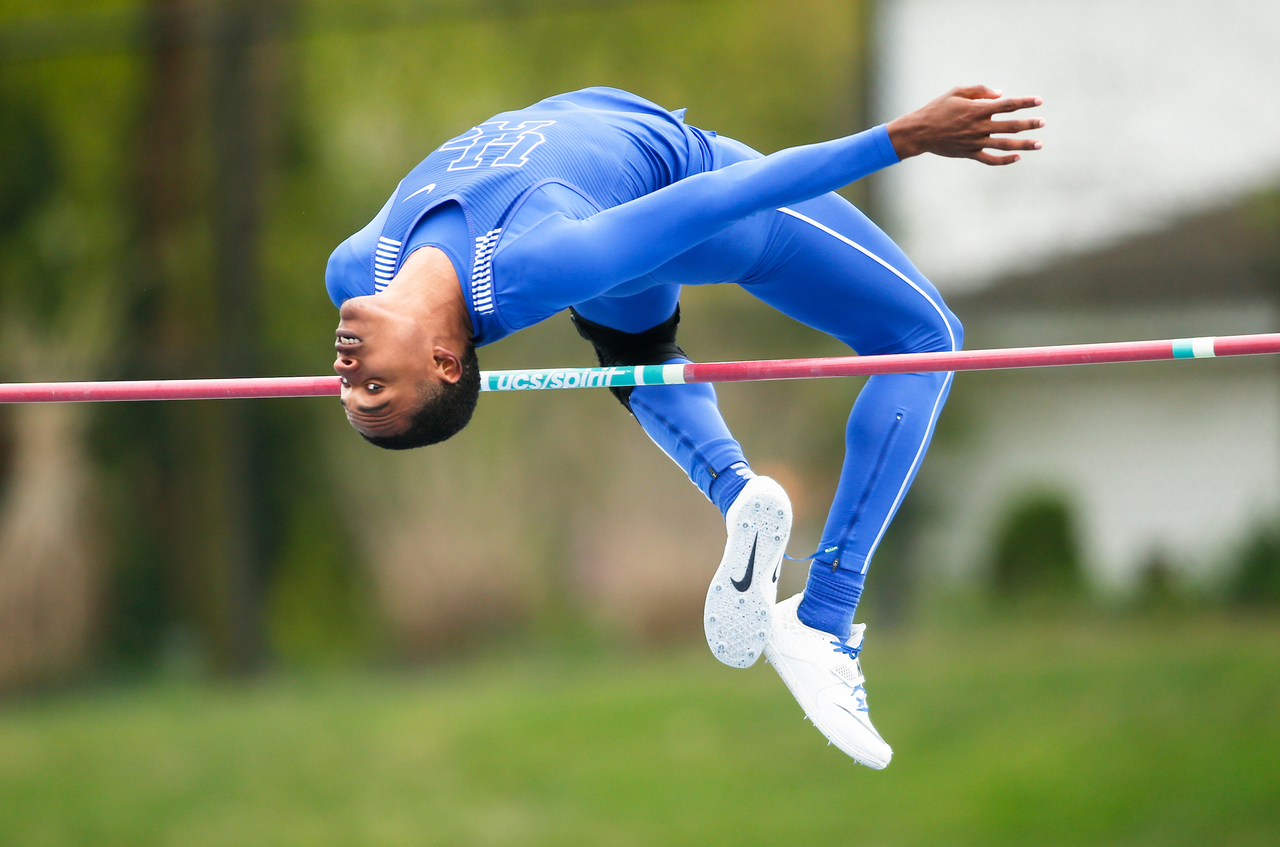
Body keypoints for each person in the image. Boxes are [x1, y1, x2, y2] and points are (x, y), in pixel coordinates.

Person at [326, 85, 1043, 768]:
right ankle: (823, 616)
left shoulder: (353, 270)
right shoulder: (535, 262)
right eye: (376, 390)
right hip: (685, 192)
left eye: (350, 391)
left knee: (638, 356)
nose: (348, 374)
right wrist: (905, 137)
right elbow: (724, 195)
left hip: (609, 225)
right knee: (927, 337)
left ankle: (738, 495)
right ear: (446, 363)